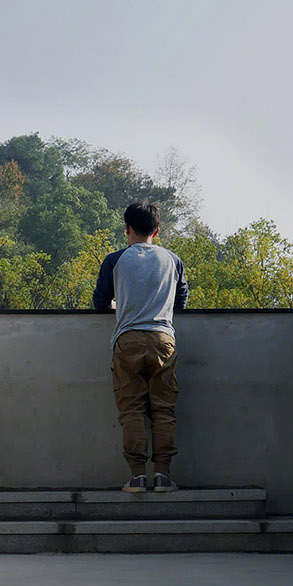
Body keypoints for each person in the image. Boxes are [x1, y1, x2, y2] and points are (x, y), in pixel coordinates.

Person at [93, 201, 191, 492]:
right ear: (157, 231)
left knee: (132, 409)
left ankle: (137, 477)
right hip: (163, 340)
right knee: (163, 410)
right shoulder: (172, 260)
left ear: (127, 230)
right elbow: (181, 302)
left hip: (128, 340)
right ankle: (162, 476)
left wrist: (117, 305)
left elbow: (100, 302)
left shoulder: (115, 260)